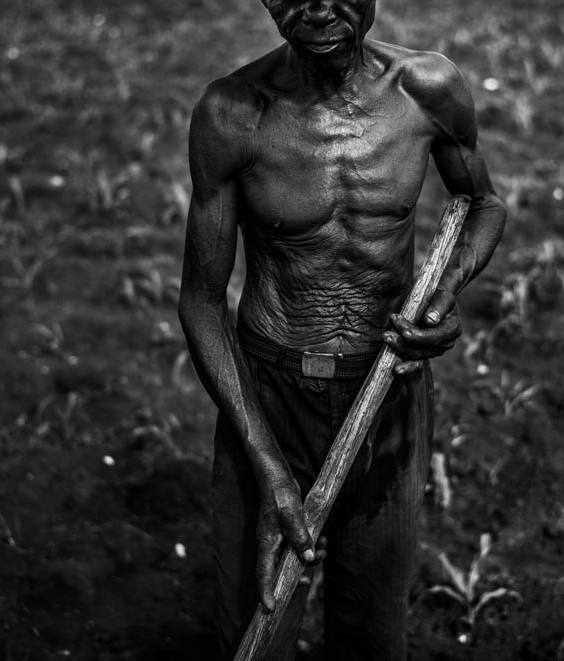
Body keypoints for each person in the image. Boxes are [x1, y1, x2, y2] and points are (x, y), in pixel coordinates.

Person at [177, 1, 506, 658]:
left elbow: (482, 202)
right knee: (255, 629)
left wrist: (443, 295)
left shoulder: (427, 90)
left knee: (371, 637)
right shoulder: (232, 115)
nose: (319, 6)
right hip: (271, 400)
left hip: (387, 403)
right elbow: (201, 302)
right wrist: (269, 467)